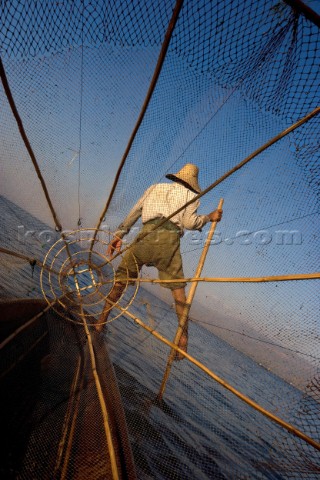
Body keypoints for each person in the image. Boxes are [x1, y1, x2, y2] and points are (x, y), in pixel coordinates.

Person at [95, 163, 222, 359]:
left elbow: (136, 211)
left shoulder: (154, 188)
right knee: (178, 292)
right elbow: (189, 223)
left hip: (145, 237)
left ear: (177, 177)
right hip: (168, 243)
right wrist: (208, 217)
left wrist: (119, 234)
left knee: (120, 281)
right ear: (192, 183)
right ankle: (182, 339)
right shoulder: (192, 197)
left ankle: (101, 320)